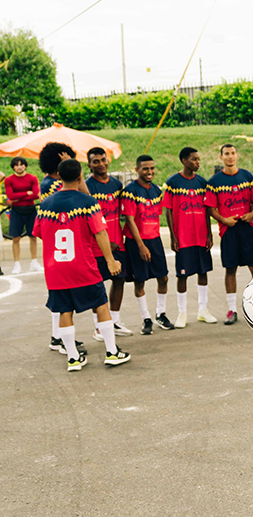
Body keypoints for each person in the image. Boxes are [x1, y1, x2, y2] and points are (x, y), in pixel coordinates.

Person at [32, 158, 131, 371]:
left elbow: (39, 232)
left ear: (58, 176)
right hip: (83, 266)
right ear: (80, 176)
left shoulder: (46, 203)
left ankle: (73, 358)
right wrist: (110, 260)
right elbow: (100, 232)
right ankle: (112, 352)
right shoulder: (88, 202)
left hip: (56, 269)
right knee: (101, 305)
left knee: (64, 311)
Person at [38, 141, 88, 354]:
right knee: (62, 295)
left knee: (59, 293)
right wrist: (76, 169)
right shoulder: (54, 184)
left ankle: (57, 336)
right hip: (64, 243)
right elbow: (87, 196)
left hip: (57, 241)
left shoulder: (47, 181)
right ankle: (58, 337)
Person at [204, 143, 253, 325]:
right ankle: (232, 310)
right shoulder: (214, 182)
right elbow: (210, 208)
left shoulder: (247, 176)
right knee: (230, 269)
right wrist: (223, 219)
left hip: (247, 228)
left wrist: (252, 213)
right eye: (226, 154)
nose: (230, 156)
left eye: (233, 153)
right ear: (221, 157)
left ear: (237, 156)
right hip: (228, 230)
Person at [164, 147, 216, 327]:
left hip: (201, 235)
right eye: (194, 159)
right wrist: (173, 236)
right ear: (184, 161)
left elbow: (208, 209)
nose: (198, 162)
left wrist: (209, 233)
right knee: (182, 275)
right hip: (183, 237)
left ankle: (203, 310)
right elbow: (168, 210)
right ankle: (182, 313)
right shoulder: (173, 182)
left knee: (203, 272)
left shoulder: (202, 182)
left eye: (198, 159)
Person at [121, 154, 173, 334]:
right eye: (145, 169)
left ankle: (161, 314)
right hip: (137, 242)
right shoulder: (130, 191)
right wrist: (141, 245)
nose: (149, 172)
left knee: (163, 277)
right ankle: (146, 318)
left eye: (152, 168)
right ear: (137, 170)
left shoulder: (157, 190)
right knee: (140, 281)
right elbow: (129, 219)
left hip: (155, 239)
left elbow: (157, 215)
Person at [85, 147, 133, 338]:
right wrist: (104, 242)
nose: (101, 164)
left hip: (117, 241)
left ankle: (115, 321)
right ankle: (99, 326)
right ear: (89, 165)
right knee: (98, 285)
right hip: (96, 246)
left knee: (119, 280)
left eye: (103, 160)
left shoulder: (116, 184)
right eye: (95, 161)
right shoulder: (87, 187)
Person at [2, 156, 41, 274]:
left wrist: (18, 196)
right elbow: (10, 196)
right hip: (16, 211)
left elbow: (35, 195)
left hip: (30, 209)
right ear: (13, 167)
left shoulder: (32, 178)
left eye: (21, 164)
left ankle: (34, 262)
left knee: (33, 237)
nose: (19, 167)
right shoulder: (9, 180)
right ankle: (16, 264)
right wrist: (26, 193)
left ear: (25, 165)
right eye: (16, 165)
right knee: (15, 238)